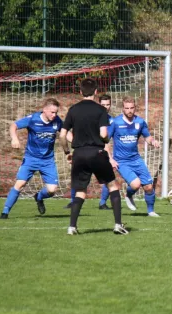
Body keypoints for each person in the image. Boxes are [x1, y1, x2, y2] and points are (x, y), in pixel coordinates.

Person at [59, 78, 128, 235]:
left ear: (80, 92)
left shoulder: (73, 110)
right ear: (96, 92)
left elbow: (62, 135)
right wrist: (104, 140)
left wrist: (67, 153)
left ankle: (72, 227)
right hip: (96, 153)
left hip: (79, 154)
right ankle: (118, 224)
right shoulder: (100, 110)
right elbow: (104, 134)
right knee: (112, 186)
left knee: (80, 191)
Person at [0, 98, 63, 219]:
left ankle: (38, 197)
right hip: (31, 159)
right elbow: (14, 125)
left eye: (56, 112)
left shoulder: (57, 121)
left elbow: (66, 133)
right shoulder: (33, 119)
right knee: (20, 184)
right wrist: (14, 138)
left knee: (52, 190)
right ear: (44, 110)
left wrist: (76, 142)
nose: (54, 115)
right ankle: (5, 212)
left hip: (48, 161)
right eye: (52, 112)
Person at [108, 96, 161, 217]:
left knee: (148, 186)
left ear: (135, 108)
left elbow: (147, 137)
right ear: (123, 109)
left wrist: (153, 142)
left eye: (132, 108)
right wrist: (110, 159)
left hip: (136, 159)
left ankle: (151, 211)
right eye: (127, 108)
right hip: (121, 161)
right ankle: (129, 194)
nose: (129, 110)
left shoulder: (140, 122)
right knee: (136, 184)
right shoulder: (115, 122)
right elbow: (105, 141)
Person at [65, 94, 114, 210]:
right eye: (103, 105)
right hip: (89, 151)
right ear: (98, 104)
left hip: (102, 152)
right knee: (79, 179)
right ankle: (73, 202)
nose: (106, 107)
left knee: (109, 180)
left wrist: (111, 156)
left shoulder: (112, 120)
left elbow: (108, 140)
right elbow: (67, 132)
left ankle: (102, 203)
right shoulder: (93, 115)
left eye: (108, 105)